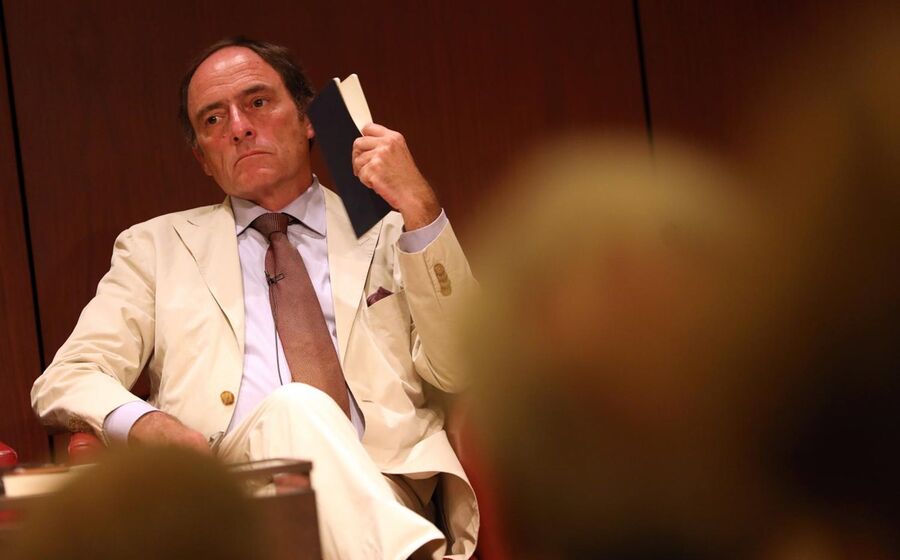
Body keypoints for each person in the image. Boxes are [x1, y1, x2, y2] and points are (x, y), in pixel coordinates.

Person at [31, 37, 478, 560]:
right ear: (203, 159)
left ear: (307, 119)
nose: (240, 127)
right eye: (213, 119)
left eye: (258, 102)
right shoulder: (155, 248)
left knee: (301, 410)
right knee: (296, 405)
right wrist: (148, 423)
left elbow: (463, 367)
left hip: (382, 488)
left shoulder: (389, 233)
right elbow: (68, 376)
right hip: (229, 503)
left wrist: (419, 206)